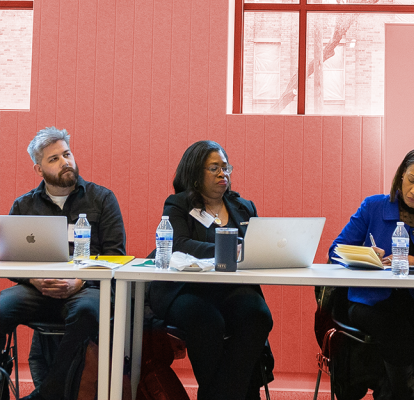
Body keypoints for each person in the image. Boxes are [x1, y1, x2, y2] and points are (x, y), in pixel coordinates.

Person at [328, 146, 414, 400]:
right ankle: (398, 392)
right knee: (400, 336)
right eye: (411, 180)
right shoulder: (373, 206)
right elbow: (335, 250)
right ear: (401, 175)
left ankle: (386, 389)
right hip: (370, 301)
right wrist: (368, 256)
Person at [0, 127, 126, 400]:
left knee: (89, 312)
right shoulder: (23, 206)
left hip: (88, 287)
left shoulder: (102, 199)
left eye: (67, 154)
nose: (65, 162)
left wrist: (79, 281)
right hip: (37, 289)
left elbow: (116, 256)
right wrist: (34, 280)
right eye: (54, 158)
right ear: (39, 169)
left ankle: (47, 393)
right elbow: (10, 261)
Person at [148, 140, 273, 400]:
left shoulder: (244, 207)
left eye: (226, 168)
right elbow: (178, 244)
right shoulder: (178, 204)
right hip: (184, 289)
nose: (222, 174)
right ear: (195, 174)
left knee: (258, 315)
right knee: (207, 321)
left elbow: (257, 247)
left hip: (230, 288)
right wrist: (231, 247)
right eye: (214, 168)